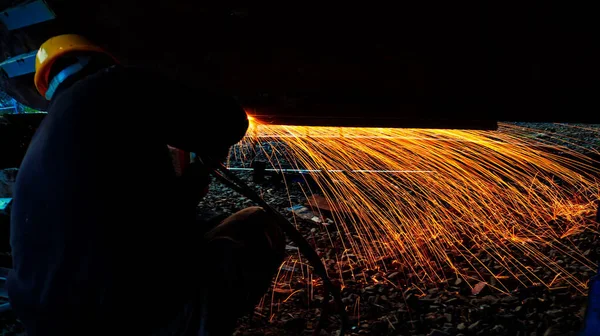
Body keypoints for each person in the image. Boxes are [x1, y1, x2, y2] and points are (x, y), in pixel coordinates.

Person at [7, 34, 285, 336]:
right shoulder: (115, 84)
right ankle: (189, 323)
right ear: (102, 59)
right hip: (125, 316)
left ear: (48, 86)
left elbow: (137, 210)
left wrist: (197, 174)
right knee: (258, 226)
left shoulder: (49, 135)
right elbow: (229, 123)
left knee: (200, 230)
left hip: (44, 320)